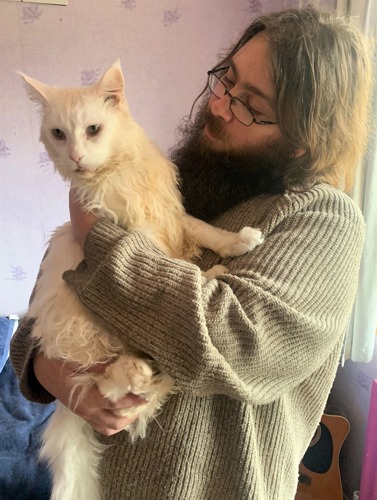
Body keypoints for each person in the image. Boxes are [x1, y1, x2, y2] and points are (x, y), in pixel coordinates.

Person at [10, 6, 374, 500]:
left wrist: (98, 235)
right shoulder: (180, 176)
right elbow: (47, 309)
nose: (219, 105)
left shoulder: (323, 221)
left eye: (249, 104)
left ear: (302, 143)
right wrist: (47, 368)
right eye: (227, 78)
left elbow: (232, 342)